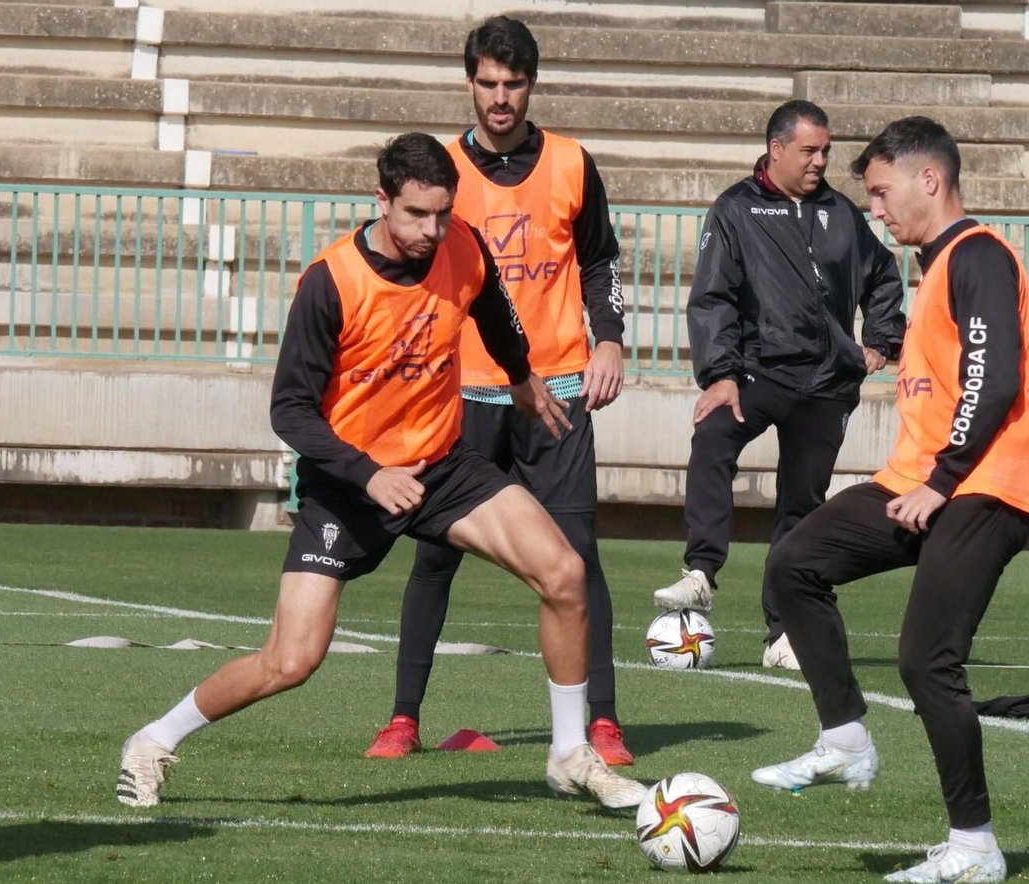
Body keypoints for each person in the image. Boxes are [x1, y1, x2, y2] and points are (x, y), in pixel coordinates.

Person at [115, 133, 647, 812]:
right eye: (415, 215)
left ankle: (570, 753)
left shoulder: (463, 246)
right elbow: (290, 412)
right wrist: (368, 476)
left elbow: (496, 314)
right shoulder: (331, 282)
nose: (432, 230)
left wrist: (521, 379)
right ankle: (154, 740)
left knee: (565, 574)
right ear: (381, 201)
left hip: (444, 466)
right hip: (347, 489)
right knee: (291, 661)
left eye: (443, 213)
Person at [750, 117, 1029, 883]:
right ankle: (844, 740)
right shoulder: (942, 269)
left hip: (981, 485)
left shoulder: (978, 256)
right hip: (928, 480)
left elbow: (997, 383)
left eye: (881, 193)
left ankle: (975, 847)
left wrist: (951, 480)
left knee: (927, 661)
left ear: (929, 180)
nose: (877, 211)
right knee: (795, 563)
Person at [365, 16, 633, 764]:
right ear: (469, 83)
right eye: (487, 83)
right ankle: (403, 720)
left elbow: (601, 262)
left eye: (513, 83)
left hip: (559, 394)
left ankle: (602, 724)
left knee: (578, 559)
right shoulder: (441, 168)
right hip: (462, 394)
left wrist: (608, 337)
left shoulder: (575, 163)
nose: (500, 97)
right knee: (434, 558)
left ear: (532, 84)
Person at [653, 100, 906, 671]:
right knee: (713, 438)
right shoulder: (736, 209)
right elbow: (712, 297)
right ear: (777, 149)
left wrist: (881, 341)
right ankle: (701, 572)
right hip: (758, 374)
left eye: (826, 151)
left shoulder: (841, 213)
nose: (820, 162)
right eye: (810, 151)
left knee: (802, 505)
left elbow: (883, 276)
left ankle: (782, 634)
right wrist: (720, 374)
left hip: (826, 384)